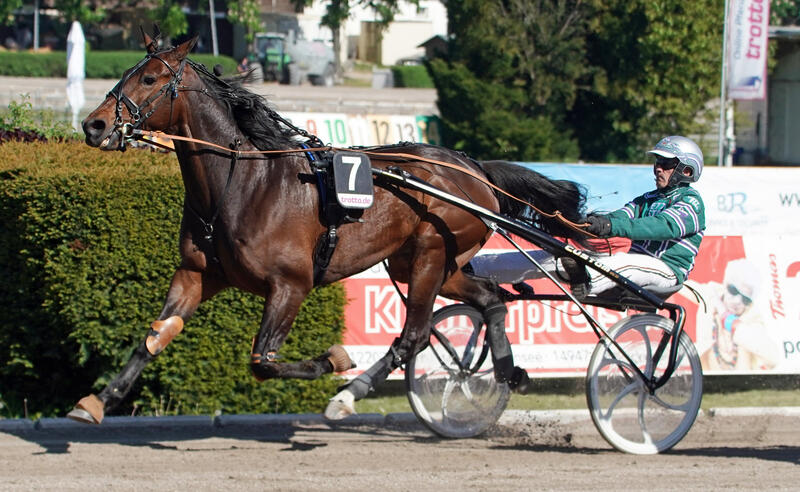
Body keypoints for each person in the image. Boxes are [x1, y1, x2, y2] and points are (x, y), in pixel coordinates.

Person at [468, 135, 706, 297]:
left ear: (686, 170)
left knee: (621, 262)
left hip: (667, 271)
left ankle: (585, 278)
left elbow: (663, 226)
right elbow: (621, 216)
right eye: (657, 162)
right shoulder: (647, 198)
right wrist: (587, 223)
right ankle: (477, 268)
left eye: (666, 164)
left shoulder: (691, 202)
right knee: (559, 255)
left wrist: (611, 226)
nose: (658, 168)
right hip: (634, 266)